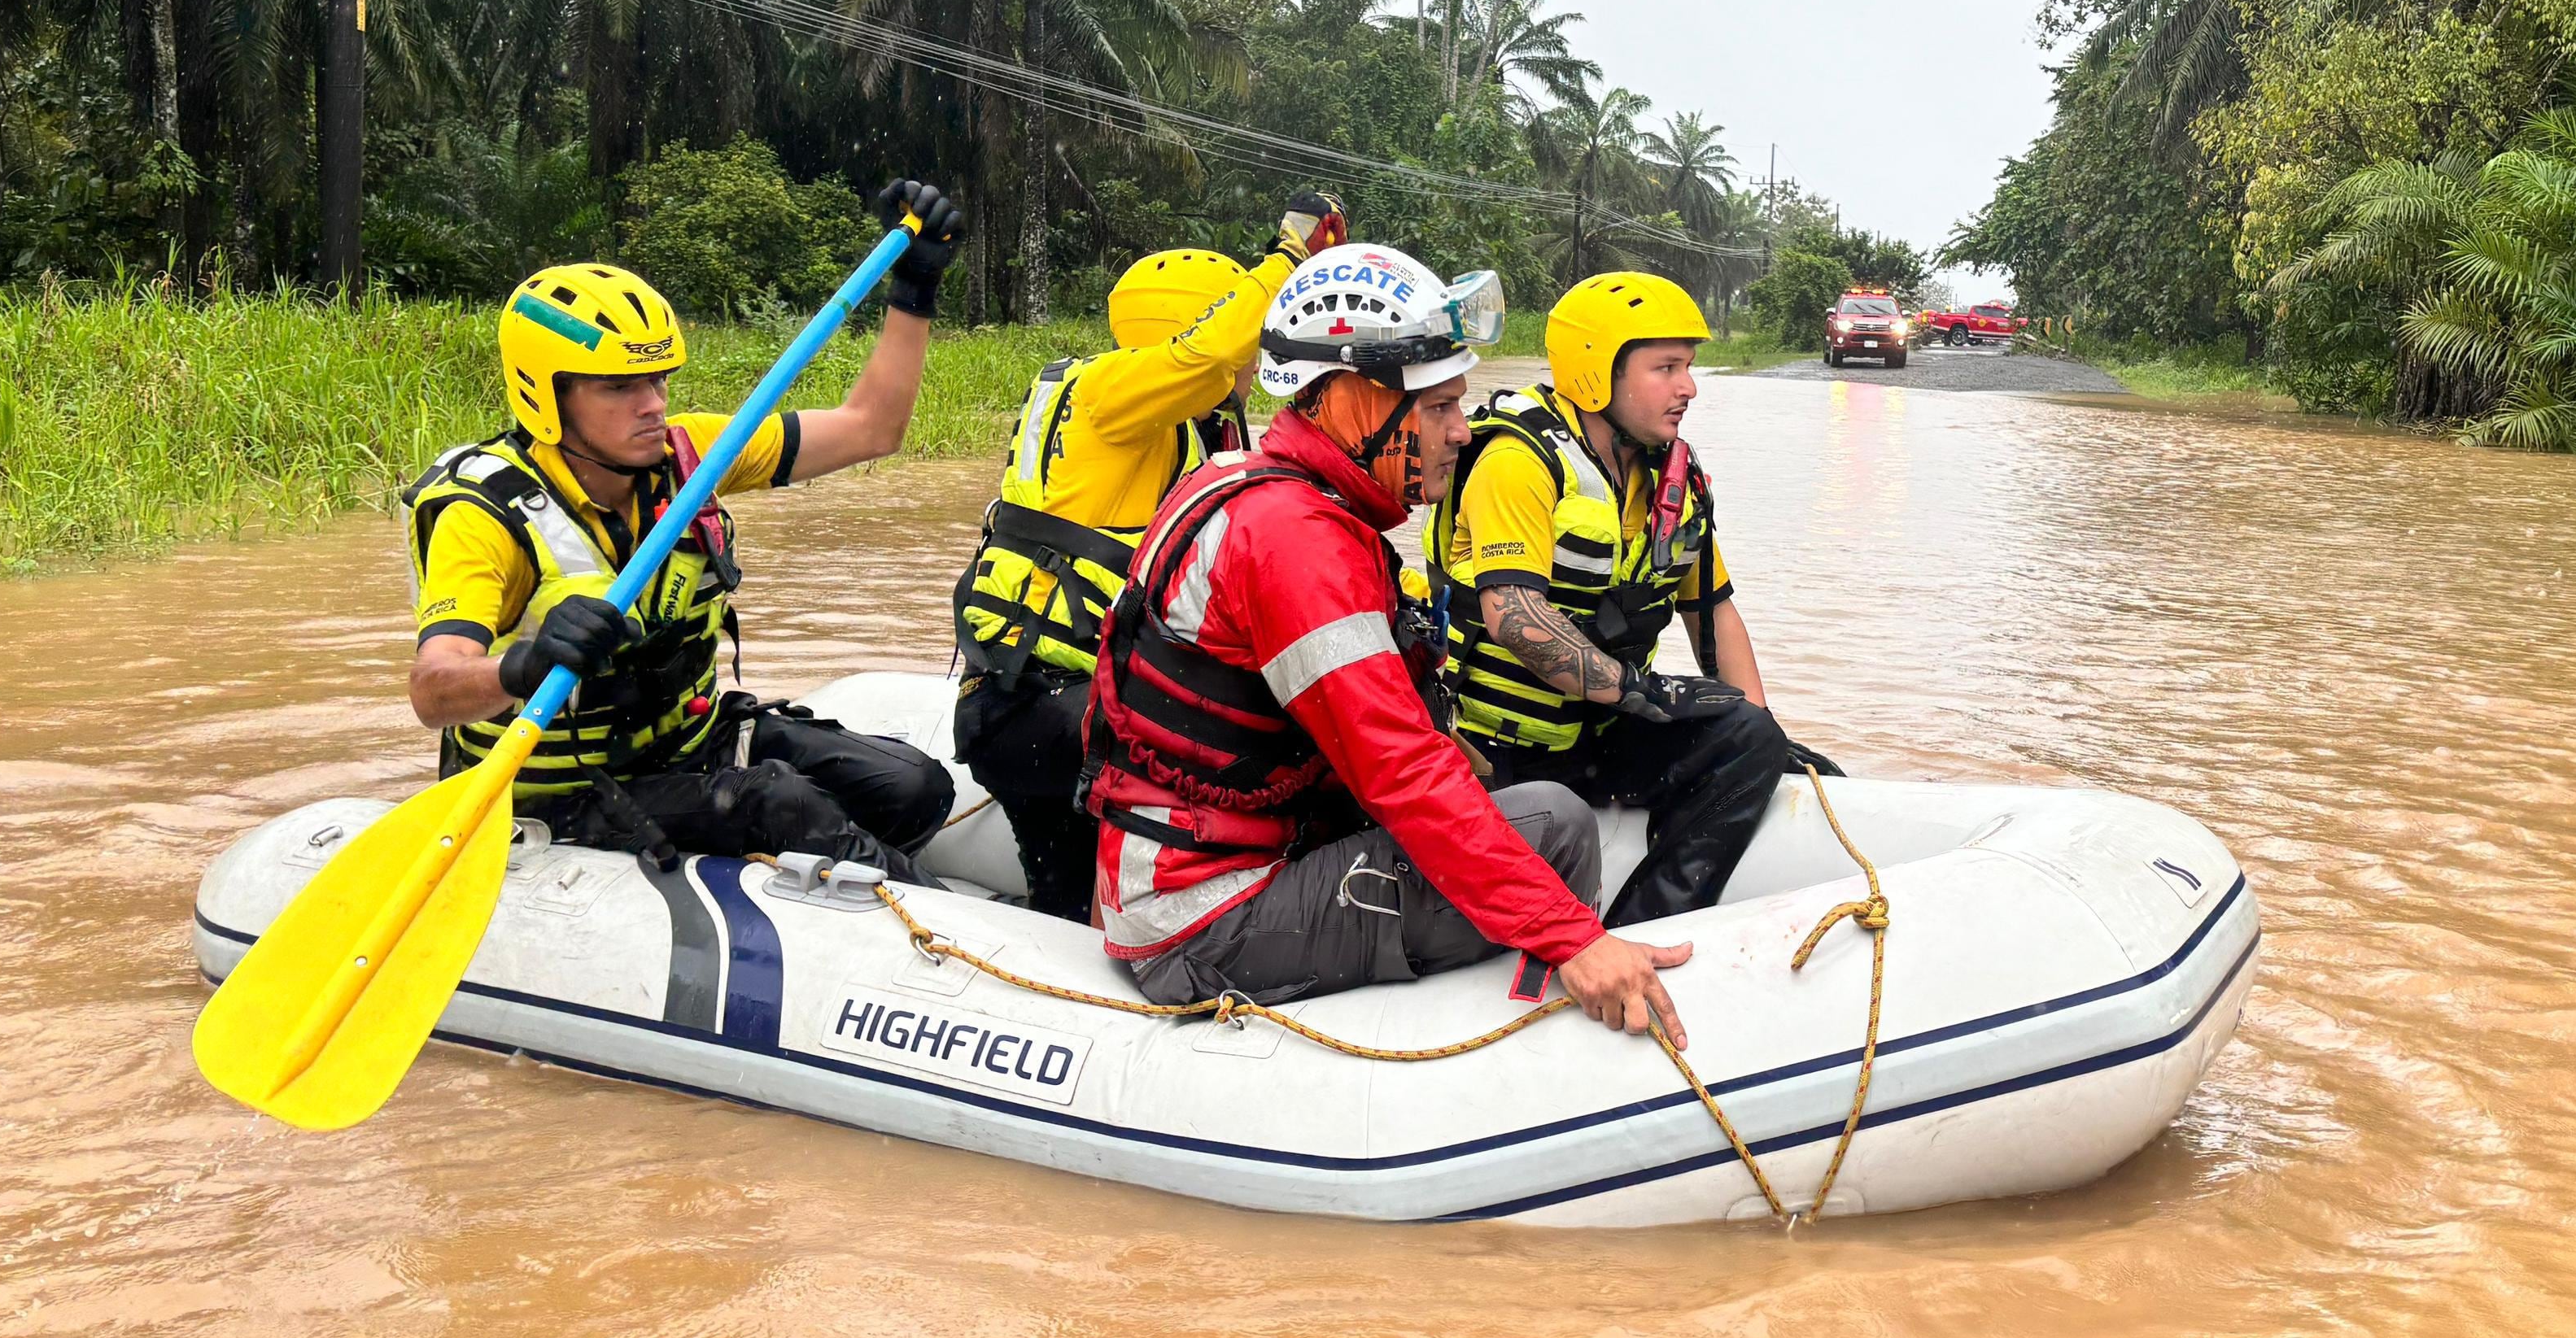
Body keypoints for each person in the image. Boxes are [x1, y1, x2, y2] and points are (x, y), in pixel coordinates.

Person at [1078, 242, 1690, 1040]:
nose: (1461, 432)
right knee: (1557, 830)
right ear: (1351, 404)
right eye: (1437, 408)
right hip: (1204, 915)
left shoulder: (1252, 486)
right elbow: (1398, 771)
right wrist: (1572, 937)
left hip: (1203, 869)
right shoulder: (1295, 538)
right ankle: (1506, 1061)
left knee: (1515, 807)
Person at [404, 181, 970, 880]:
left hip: (692, 744)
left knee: (915, 786)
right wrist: (523, 663)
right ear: (545, 395)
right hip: (566, 794)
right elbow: (434, 690)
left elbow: (871, 430)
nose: (653, 406)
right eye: (618, 388)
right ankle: (920, 913)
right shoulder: (483, 512)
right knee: (783, 805)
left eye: (659, 381)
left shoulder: (688, 456)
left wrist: (914, 289)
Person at [949, 190, 1345, 922]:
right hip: (1030, 710)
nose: (1253, 362)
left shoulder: (1195, 434)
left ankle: (1077, 918)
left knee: (1064, 891)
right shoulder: (1108, 395)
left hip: (1078, 703)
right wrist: (1288, 254)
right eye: (1251, 341)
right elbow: (1213, 351)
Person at [1433, 270, 1836, 928]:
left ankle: (1647, 926)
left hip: (1596, 734)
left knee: (1748, 735)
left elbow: (1712, 612)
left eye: (1689, 367)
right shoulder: (1518, 459)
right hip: (1498, 750)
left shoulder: (1672, 476)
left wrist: (1764, 735)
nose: (1688, 388)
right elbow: (1514, 617)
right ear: (1598, 373)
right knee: (1700, 720)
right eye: (1666, 368)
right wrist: (1640, 691)